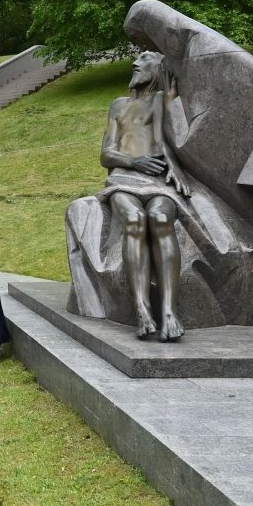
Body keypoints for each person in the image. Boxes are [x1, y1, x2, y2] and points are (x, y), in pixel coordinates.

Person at [99, 51, 189, 341]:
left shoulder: (164, 100)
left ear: (158, 67)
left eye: (144, 58)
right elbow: (105, 154)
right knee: (135, 220)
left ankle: (169, 311)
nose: (136, 63)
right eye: (136, 59)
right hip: (123, 179)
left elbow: (174, 139)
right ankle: (141, 306)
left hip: (159, 181)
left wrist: (174, 168)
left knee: (160, 218)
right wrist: (133, 161)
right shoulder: (119, 105)